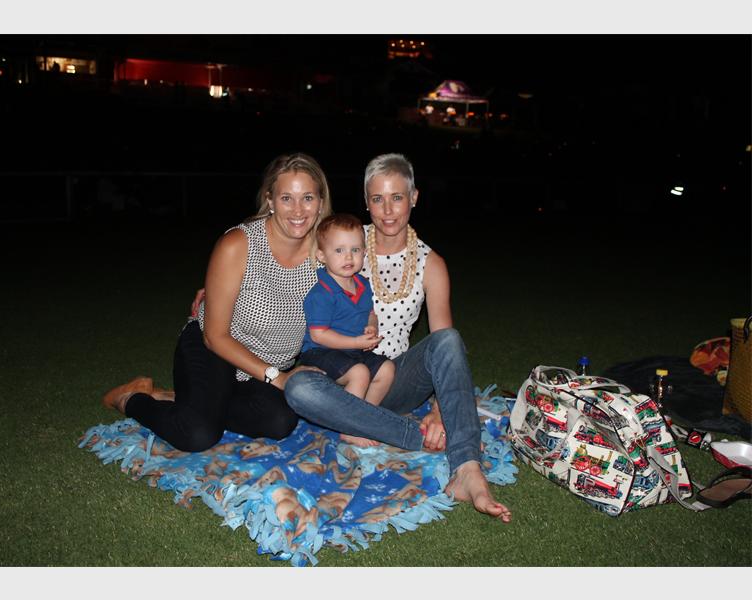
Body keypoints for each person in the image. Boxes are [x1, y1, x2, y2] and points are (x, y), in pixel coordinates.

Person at [284, 153, 512, 523]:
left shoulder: (430, 263)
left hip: (394, 379)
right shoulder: (345, 239)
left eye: (397, 197)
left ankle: (467, 471)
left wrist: (439, 410)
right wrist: (218, 289)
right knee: (299, 388)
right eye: (377, 199)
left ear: (414, 197)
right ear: (366, 201)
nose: (387, 210)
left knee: (449, 339)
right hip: (339, 379)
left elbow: (442, 345)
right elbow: (281, 253)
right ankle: (410, 436)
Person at [101, 153, 332, 452]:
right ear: (270, 200)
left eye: (308, 198)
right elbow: (215, 336)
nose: (298, 210)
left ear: (321, 202)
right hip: (215, 348)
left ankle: (191, 401)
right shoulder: (239, 244)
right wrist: (278, 379)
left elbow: (375, 246)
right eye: (286, 198)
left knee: (280, 422)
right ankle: (131, 399)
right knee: (197, 433)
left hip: (264, 368)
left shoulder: (330, 252)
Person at [299, 213, 395, 447]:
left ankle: (364, 419)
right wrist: (357, 343)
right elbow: (318, 335)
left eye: (355, 249)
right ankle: (349, 428)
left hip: (353, 350)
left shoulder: (363, 284)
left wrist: (371, 327)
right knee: (359, 373)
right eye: (339, 250)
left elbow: (370, 312)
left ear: (364, 252)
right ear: (322, 255)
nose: (348, 256)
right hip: (320, 352)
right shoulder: (322, 293)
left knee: (387, 369)